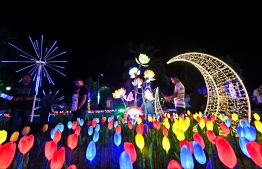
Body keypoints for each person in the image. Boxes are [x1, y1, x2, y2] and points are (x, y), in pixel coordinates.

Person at [7, 74, 35, 139]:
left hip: (26, 108)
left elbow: (33, 96)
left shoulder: (31, 87)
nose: (28, 79)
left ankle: (22, 138)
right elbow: (9, 97)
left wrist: (29, 98)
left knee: (25, 123)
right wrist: (17, 98)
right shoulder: (16, 86)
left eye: (29, 78)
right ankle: (10, 137)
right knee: (13, 123)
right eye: (26, 77)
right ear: (22, 78)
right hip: (16, 107)